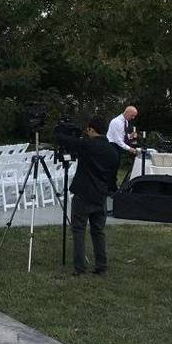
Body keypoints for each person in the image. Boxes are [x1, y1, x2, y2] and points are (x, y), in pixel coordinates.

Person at [55, 116, 121, 276]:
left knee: (78, 230)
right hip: (101, 196)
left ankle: (79, 268)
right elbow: (112, 178)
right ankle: (101, 266)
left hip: (84, 195)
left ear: (91, 129)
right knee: (98, 231)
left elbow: (64, 140)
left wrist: (59, 129)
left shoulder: (88, 145)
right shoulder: (113, 151)